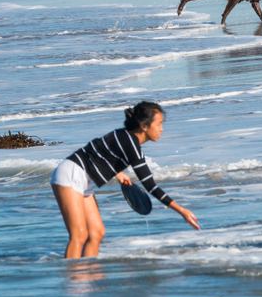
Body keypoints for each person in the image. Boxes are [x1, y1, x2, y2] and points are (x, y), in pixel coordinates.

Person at [50, 101, 200, 258]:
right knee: (79, 235)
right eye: (159, 123)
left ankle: (88, 275)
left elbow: (101, 151)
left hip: (85, 180)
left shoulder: (125, 137)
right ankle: (74, 279)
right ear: (144, 126)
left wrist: (118, 172)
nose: (162, 129)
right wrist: (182, 211)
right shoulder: (130, 143)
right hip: (71, 174)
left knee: (97, 233)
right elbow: (150, 186)